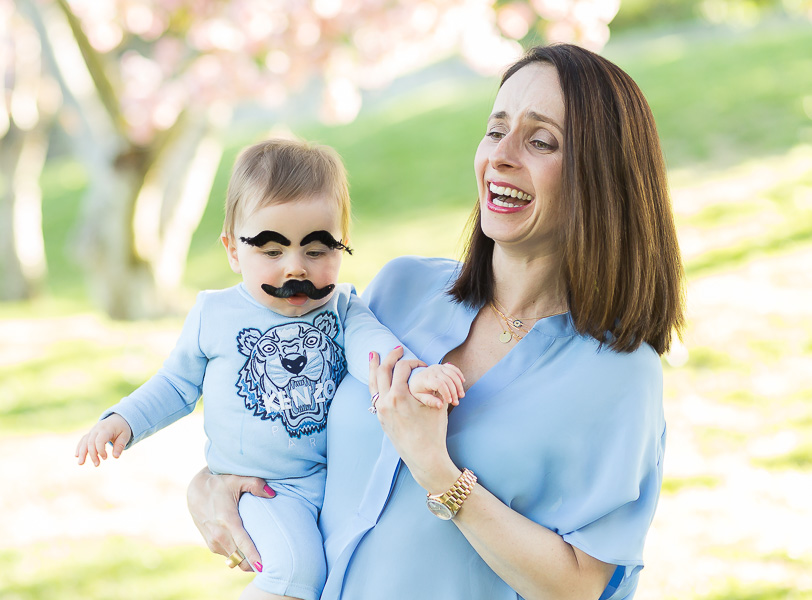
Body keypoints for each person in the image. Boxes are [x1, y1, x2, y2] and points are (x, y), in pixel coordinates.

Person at [186, 43, 686, 600]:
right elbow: (288, 430)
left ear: (602, 175)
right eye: (496, 132)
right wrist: (209, 484)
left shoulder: (617, 374)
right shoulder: (398, 291)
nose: (501, 155)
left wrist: (437, 470)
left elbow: (580, 587)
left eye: (540, 141)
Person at [74, 138, 465, 600]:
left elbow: (376, 353)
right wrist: (122, 420)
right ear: (233, 250)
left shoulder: (343, 311)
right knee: (296, 574)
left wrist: (417, 376)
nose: (295, 269)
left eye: (316, 250)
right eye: (271, 250)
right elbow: (176, 384)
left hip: (328, 485)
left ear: (343, 246)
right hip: (263, 488)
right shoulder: (215, 314)